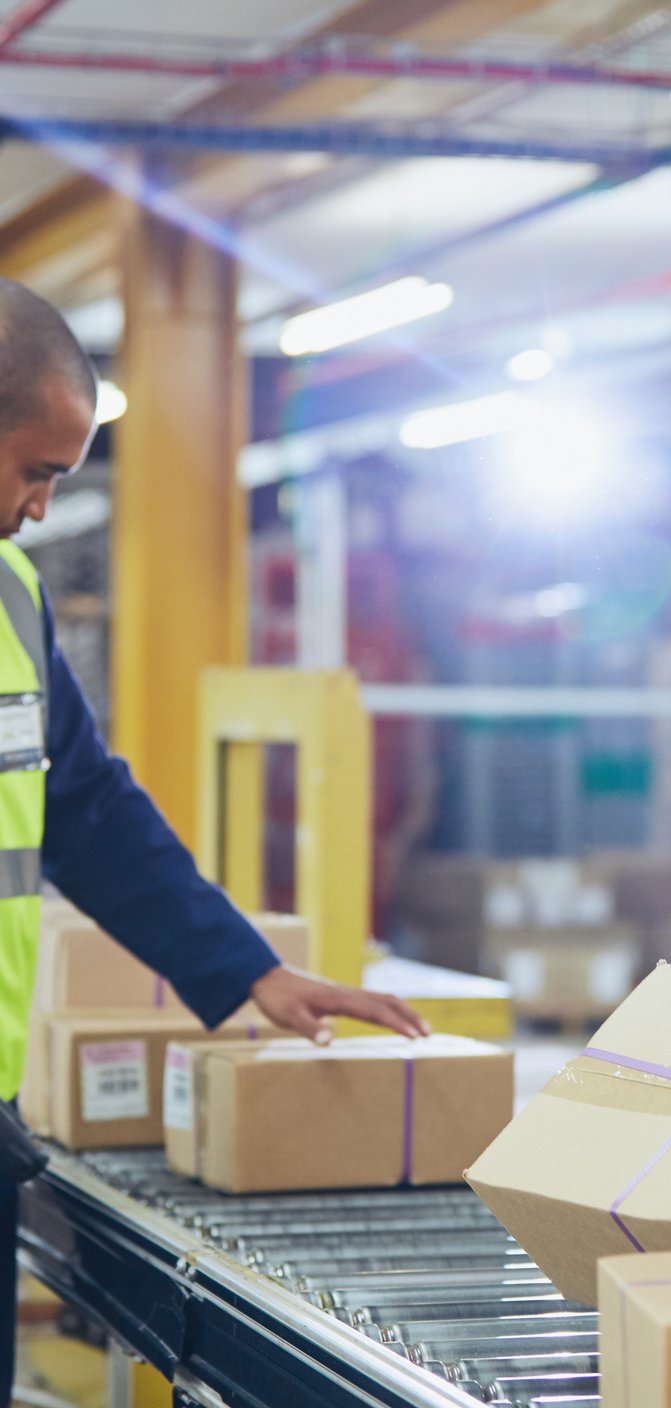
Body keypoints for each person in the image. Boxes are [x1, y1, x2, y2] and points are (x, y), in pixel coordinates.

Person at [0, 277, 429, 1404]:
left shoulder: (11, 595)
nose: (41, 507)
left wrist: (246, 967)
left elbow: (86, 808)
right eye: (34, 470)